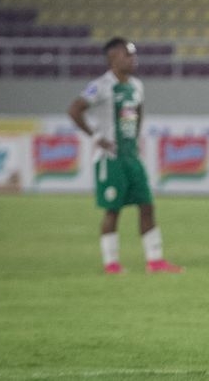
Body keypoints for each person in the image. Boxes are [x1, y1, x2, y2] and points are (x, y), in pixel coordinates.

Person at [67, 37, 183, 275]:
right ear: (113, 58)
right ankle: (111, 264)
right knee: (113, 209)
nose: (133, 59)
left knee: (147, 205)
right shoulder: (100, 86)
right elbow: (74, 110)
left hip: (131, 156)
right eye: (127, 55)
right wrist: (95, 137)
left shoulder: (137, 86)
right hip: (110, 159)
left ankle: (155, 261)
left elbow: (138, 111)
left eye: (133, 54)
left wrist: (136, 137)